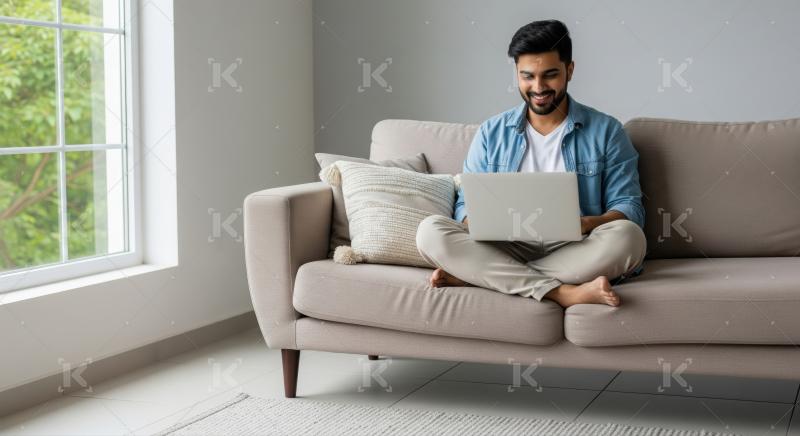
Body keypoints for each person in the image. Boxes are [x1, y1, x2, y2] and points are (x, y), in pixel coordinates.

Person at [416, 19, 647, 308]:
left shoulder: (607, 131)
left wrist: (587, 223)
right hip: (504, 246)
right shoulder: (491, 132)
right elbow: (465, 205)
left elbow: (630, 208)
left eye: (550, 75)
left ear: (569, 70)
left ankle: (483, 276)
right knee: (430, 231)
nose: (538, 87)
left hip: (575, 247)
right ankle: (563, 292)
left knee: (629, 238)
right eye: (527, 76)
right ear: (516, 73)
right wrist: (474, 220)